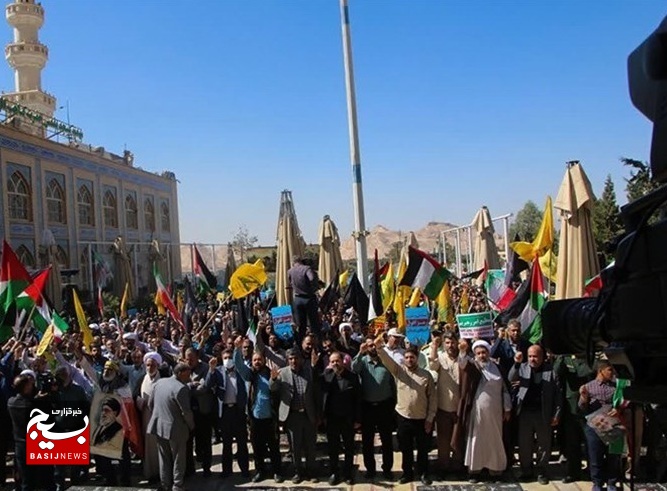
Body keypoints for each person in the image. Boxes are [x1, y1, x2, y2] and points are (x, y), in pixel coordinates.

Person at [375, 337, 437, 485]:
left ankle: (423, 473)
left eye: (412, 357)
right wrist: (379, 348)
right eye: (407, 357)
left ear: (417, 359)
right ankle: (407, 473)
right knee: (406, 449)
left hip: (422, 418)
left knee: (423, 449)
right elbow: (386, 360)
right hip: (403, 417)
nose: (409, 360)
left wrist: (430, 419)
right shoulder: (399, 371)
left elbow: (433, 399)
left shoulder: (426, 375)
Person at [457, 340, 512, 483]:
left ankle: (495, 471)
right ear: (475, 354)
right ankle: (475, 471)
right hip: (478, 411)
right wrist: (463, 350)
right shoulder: (473, 366)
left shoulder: (497, 367)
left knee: (494, 440)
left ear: (488, 352)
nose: (482, 355)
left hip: (495, 412)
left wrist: (507, 408)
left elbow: (505, 389)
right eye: (478, 353)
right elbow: (462, 363)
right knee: (477, 440)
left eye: (484, 352)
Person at [232, 337, 283, 483]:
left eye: (259, 360)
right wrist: (237, 349)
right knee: (257, 448)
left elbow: (275, 390)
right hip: (255, 419)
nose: (257, 362)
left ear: (264, 360)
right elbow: (239, 366)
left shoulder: (271, 373)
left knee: (274, 448)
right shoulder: (250, 375)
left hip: (270, 419)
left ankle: (277, 472)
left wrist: (274, 380)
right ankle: (260, 471)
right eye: (254, 360)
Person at [509, 345, 561, 484]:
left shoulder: (551, 371)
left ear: (542, 357)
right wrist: (516, 363)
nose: (532, 359)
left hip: (543, 413)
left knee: (544, 444)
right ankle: (526, 470)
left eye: (535, 356)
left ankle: (542, 471)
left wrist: (556, 414)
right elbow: (510, 377)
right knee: (524, 443)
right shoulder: (523, 367)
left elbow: (558, 395)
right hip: (525, 412)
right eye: (530, 356)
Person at [270, 347, 320, 484]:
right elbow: (273, 389)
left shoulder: (309, 371)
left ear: (301, 359)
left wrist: (318, 414)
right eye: (291, 359)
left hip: (308, 414)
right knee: (295, 446)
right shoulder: (282, 373)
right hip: (292, 416)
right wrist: (273, 379)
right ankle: (297, 472)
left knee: (310, 446)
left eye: (296, 358)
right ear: (287, 360)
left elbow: (316, 392)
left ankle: (311, 471)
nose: (293, 361)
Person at [351, 336, 396, 480]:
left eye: (375, 345)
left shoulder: (386, 361)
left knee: (387, 440)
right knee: (367, 441)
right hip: (368, 407)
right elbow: (353, 369)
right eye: (370, 346)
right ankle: (370, 469)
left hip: (385, 406)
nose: (373, 348)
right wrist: (360, 353)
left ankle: (387, 469)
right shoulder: (363, 362)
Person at [148, 362, 195, 491]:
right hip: (176, 428)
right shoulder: (181, 388)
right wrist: (191, 425)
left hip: (159, 425)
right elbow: (186, 412)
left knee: (164, 457)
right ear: (180, 373)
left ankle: (165, 483)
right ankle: (177, 484)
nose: (189, 377)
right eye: (187, 374)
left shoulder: (159, 383)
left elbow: (150, 404)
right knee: (178, 458)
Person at [578, 360, 623, 491]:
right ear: (601, 371)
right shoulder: (588, 386)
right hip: (594, 426)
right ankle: (597, 483)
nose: (612, 373)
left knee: (613, 455)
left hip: (612, 425)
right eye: (610, 370)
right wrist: (584, 398)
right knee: (595, 455)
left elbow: (621, 402)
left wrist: (618, 409)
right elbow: (581, 408)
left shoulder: (615, 386)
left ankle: (612, 482)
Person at [321, 351, 361, 485]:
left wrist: (357, 419)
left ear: (343, 361)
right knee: (333, 448)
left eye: (337, 361)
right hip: (332, 419)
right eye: (332, 362)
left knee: (349, 448)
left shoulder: (352, 377)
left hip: (348, 419)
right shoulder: (326, 377)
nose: (335, 364)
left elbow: (358, 399)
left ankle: (348, 473)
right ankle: (334, 473)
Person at [428, 331, 464, 478]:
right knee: (443, 441)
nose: (450, 345)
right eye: (447, 343)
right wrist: (434, 347)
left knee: (458, 441)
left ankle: (457, 468)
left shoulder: (462, 358)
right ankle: (443, 467)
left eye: (452, 342)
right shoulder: (441, 358)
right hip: (443, 407)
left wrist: (464, 349)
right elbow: (432, 365)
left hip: (459, 408)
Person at [287, 256, 321, 340]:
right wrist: (315, 286)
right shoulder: (306, 268)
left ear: (293, 262)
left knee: (300, 325)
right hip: (309, 298)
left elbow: (290, 282)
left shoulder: (290, 271)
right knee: (314, 324)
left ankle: (301, 344)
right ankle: (317, 343)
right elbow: (312, 278)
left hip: (297, 299)